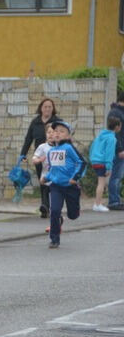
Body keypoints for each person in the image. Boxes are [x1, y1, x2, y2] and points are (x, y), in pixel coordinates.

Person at [43, 120, 86, 249]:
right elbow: (53, 169)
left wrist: (75, 178)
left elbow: (82, 162)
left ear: (68, 136)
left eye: (62, 131)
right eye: (55, 131)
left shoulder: (69, 148)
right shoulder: (51, 151)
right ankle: (54, 239)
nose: (57, 133)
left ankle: (75, 208)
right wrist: (47, 178)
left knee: (73, 216)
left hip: (70, 186)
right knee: (54, 211)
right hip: (56, 187)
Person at [20, 98, 59, 218]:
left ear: (53, 109)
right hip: (40, 157)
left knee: (53, 182)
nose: (47, 109)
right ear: (41, 108)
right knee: (43, 181)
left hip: (54, 157)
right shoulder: (35, 122)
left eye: (50, 107)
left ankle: (54, 205)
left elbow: (64, 135)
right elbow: (28, 139)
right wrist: (23, 154)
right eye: (45, 107)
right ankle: (44, 206)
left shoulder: (57, 122)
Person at [90, 116, 122, 212]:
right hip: (102, 162)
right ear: (117, 127)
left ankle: (97, 203)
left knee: (100, 183)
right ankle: (97, 204)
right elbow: (109, 153)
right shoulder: (112, 138)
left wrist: (92, 158)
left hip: (95, 161)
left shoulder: (100, 135)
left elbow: (92, 147)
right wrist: (109, 167)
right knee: (101, 183)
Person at [106, 92, 124, 210]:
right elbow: (116, 133)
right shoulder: (116, 113)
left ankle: (116, 199)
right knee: (116, 176)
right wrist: (120, 149)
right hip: (119, 150)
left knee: (118, 176)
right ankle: (113, 201)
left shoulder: (119, 112)